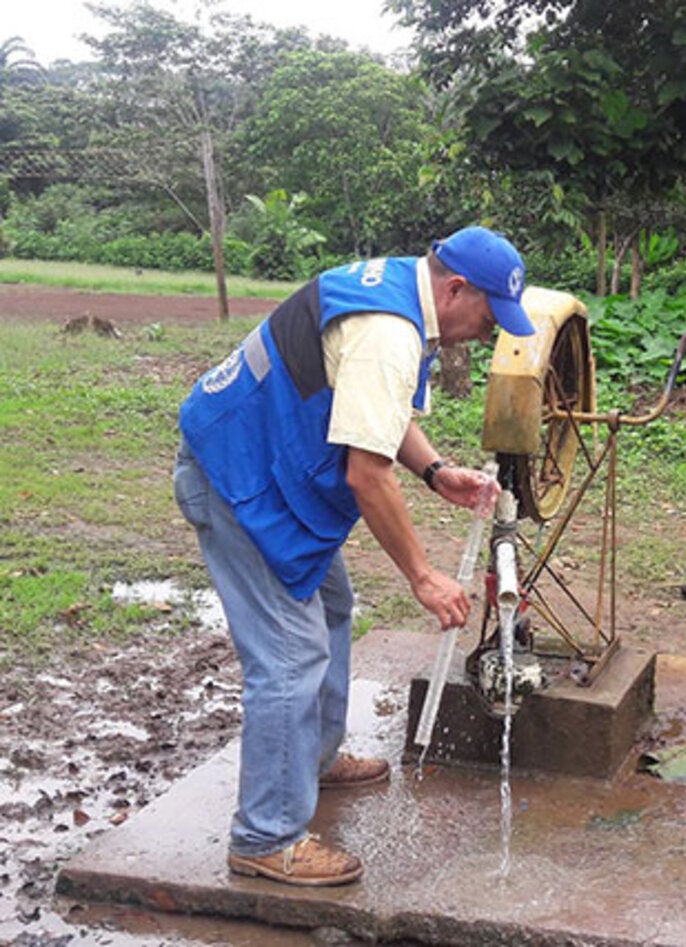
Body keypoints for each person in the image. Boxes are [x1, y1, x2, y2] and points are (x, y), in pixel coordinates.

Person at [173, 226, 535, 885]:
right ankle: (266, 835)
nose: (486, 334)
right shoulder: (391, 333)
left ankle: (309, 758)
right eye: (487, 317)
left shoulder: (401, 292)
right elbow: (367, 475)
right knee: (291, 654)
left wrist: (435, 470)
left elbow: (379, 411)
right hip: (236, 478)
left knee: (331, 602)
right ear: (456, 288)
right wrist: (424, 576)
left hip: (267, 467)